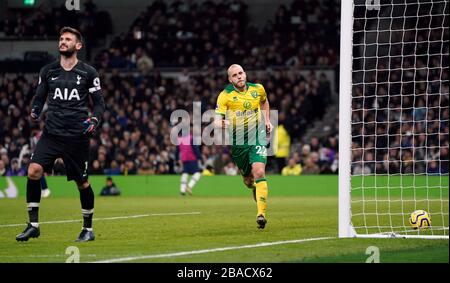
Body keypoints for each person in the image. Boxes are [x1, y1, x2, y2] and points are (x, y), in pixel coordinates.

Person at [16, 27, 105, 242]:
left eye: (68, 39)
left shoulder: (88, 72)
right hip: (52, 133)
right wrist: (36, 109)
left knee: (82, 183)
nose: (63, 42)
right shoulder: (48, 71)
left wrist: (94, 120)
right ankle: (33, 225)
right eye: (61, 39)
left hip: (77, 136)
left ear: (78, 45)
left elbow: (100, 104)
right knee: (33, 171)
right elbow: (40, 95)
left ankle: (88, 229)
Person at [214, 64, 273, 229]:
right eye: (235, 75)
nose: (239, 76)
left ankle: (261, 214)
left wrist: (267, 120)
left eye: (241, 73)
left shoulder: (258, 89)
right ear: (230, 79)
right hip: (238, 142)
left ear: (245, 74)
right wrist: (222, 123)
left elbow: (265, 102)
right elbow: (217, 119)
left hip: (257, 136)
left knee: (259, 171)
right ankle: (254, 186)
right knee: (248, 181)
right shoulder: (225, 96)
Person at [176, 125, 202, 196]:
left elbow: (177, 151)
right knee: (197, 174)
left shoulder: (180, 139)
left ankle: (182, 191)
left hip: (184, 159)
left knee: (185, 174)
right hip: (192, 159)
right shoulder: (191, 138)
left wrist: (177, 159)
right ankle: (189, 186)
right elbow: (195, 149)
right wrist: (199, 157)